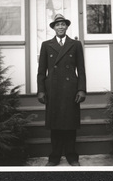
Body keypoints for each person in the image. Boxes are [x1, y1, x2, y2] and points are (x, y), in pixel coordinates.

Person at [37, 14, 86, 166]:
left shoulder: (76, 44)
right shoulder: (46, 45)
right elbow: (41, 71)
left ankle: (72, 156)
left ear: (66, 27)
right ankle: (54, 156)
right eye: (57, 25)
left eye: (63, 24)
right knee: (55, 125)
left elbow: (81, 70)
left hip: (71, 90)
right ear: (53, 27)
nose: (60, 27)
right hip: (53, 90)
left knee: (70, 124)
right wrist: (41, 90)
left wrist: (81, 89)